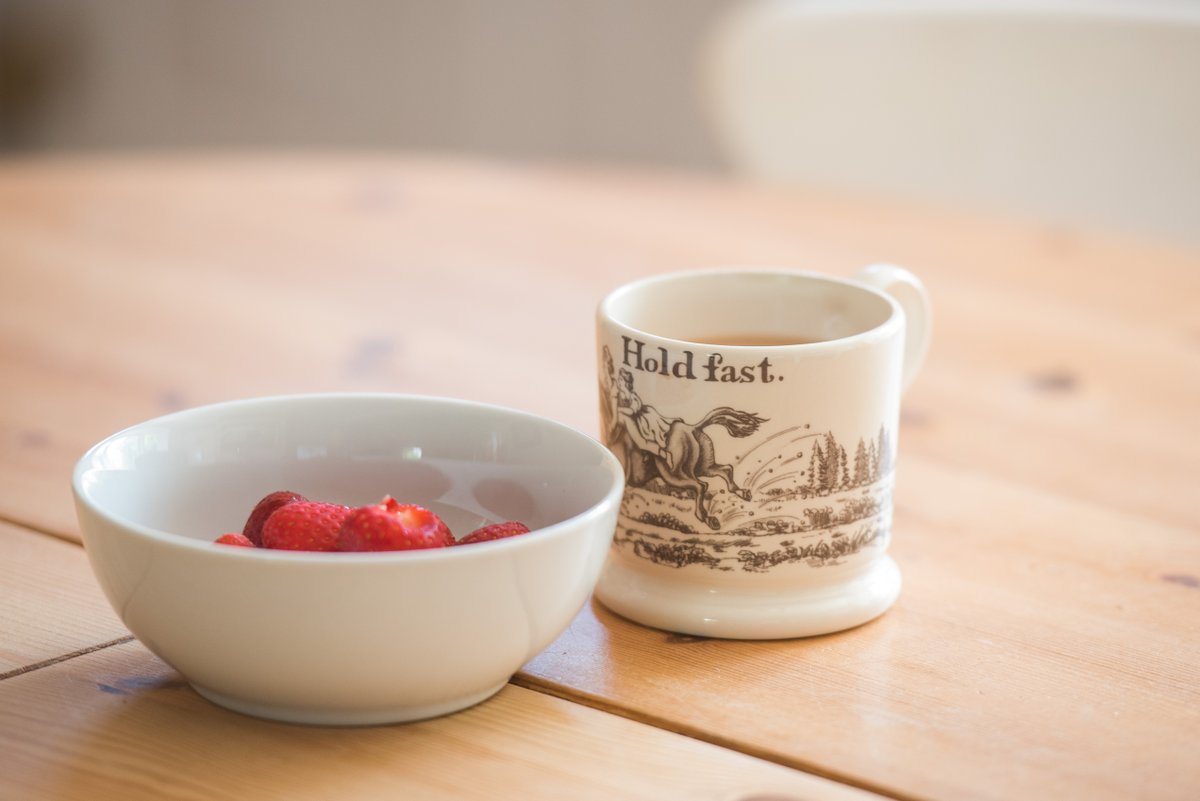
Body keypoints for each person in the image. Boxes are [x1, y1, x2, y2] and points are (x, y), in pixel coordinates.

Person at [616, 368, 674, 470]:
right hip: (626, 423)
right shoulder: (619, 395)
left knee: (642, 443)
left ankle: (664, 454)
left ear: (626, 382)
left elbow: (633, 411)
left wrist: (620, 409)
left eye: (620, 380)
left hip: (637, 421)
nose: (618, 382)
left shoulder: (633, 396)